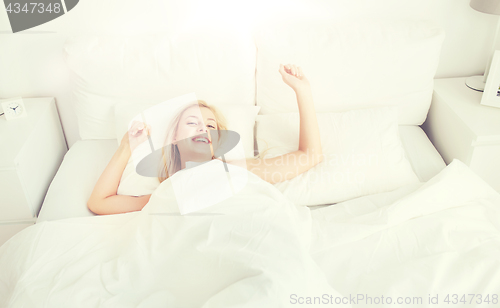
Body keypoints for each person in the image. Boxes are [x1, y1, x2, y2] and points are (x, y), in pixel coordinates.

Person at [87, 63, 322, 215]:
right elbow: (99, 202)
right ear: (174, 137)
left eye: (210, 126)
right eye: (192, 123)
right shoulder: (163, 192)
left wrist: (303, 91)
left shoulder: (236, 170)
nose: (203, 129)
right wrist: (126, 147)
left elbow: (310, 156)